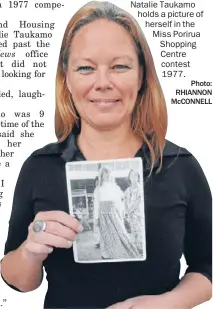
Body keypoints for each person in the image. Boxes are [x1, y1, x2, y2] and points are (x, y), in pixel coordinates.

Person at [0, 1, 212, 309]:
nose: (102, 83)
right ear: (67, 80)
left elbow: (207, 268)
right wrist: (31, 250)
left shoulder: (181, 166)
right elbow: (17, 280)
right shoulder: (39, 167)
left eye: (120, 66)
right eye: (85, 68)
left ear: (141, 78)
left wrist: (164, 304)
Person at [93, 166, 140, 259]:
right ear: (101, 175)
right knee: (105, 235)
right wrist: (96, 218)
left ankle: (120, 251)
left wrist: (121, 213)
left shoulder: (115, 187)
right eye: (105, 173)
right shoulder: (98, 189)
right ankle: (107, 254)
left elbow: (119, 201)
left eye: (109, 173)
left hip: (115, 213)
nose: (107, 175)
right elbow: (96, 204)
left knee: (120, 233)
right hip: (103, 214)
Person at [124, 169, 143, 253]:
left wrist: (130, 210)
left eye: (135, 175)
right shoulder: (127, 190)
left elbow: (138, 202)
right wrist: (126, 212)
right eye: (132, 175)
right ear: (129, 177)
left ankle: (141, 248)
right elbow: (124, 202)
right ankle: (135, 248)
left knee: (139, 230)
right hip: (130, 215)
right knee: (133, 231)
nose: (133, 177)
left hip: (137, 214)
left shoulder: (140, 188)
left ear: (138, 177)